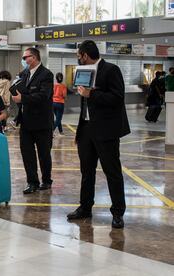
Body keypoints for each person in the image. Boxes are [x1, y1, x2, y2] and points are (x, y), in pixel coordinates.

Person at [67, 40, 130, 229]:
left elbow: (118, 98)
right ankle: (85, 207)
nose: (78, 58)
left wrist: (91, 94)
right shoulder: (83, 72)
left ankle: (118, 212)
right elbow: (85, 104)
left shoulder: (111, 70)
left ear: (85, 55)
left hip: (106, 130)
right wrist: (79, 133)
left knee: (112, 172)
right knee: (86, 172)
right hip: (86, 129)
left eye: (79, 55)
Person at [12, 47, 54, 193]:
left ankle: (47, 180)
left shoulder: (46, 75)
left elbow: (43, 96)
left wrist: (23, 98)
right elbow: (19, 91)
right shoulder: (23, 74)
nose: (23, 60)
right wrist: (16, 97)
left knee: (44, 154)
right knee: (27, 154)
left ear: (34, 58)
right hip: (25, 121)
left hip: (42, 122)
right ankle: (32, 182)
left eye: (26, 57)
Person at [53, 72, 67, 136]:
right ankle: (51, 130)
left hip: (53, 103)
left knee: (58, 118)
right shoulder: (63, 86)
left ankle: (61, 131)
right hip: (60, 103)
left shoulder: (53, 85)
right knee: (58, 119)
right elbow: (64, 95)